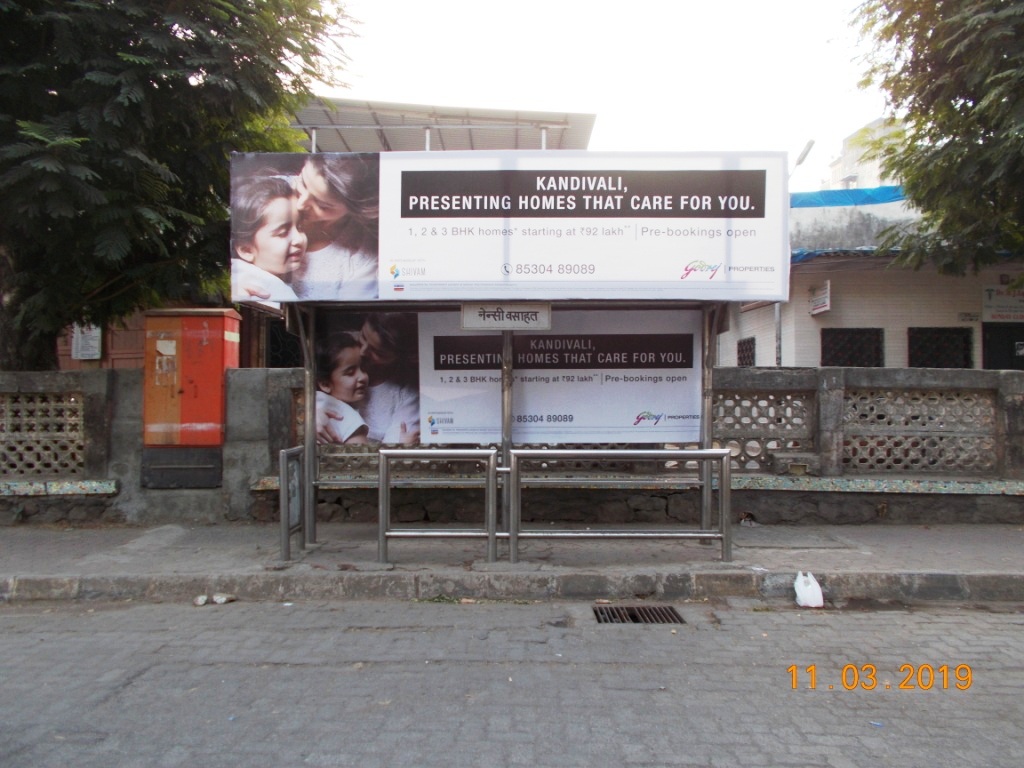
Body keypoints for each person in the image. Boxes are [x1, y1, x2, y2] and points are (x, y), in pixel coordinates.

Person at [316, 312, 420, 445]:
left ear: (397, 356)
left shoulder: (408, 390)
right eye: (363, 337)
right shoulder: (344, 344)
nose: (363, 351)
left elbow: (390, 450)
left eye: (378, 352)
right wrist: (310, 414)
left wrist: (402, 447)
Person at [291, 154, 380, 300]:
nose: (301, 203)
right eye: (303, 183)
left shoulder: (362, 257)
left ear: (353, 210)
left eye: (322, 206)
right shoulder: (263, 192)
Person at [230, 176, 306, 303]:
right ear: (246, 250)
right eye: (283, 233)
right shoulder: (256, 289)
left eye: (300, 227)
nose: (298, 239)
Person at [314, 332, 370, 445]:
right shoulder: (347, 417)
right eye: (350, 373)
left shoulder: (309, 402)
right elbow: (363, 460)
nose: (363, 377)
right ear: (325, 384)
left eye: (363, 368)